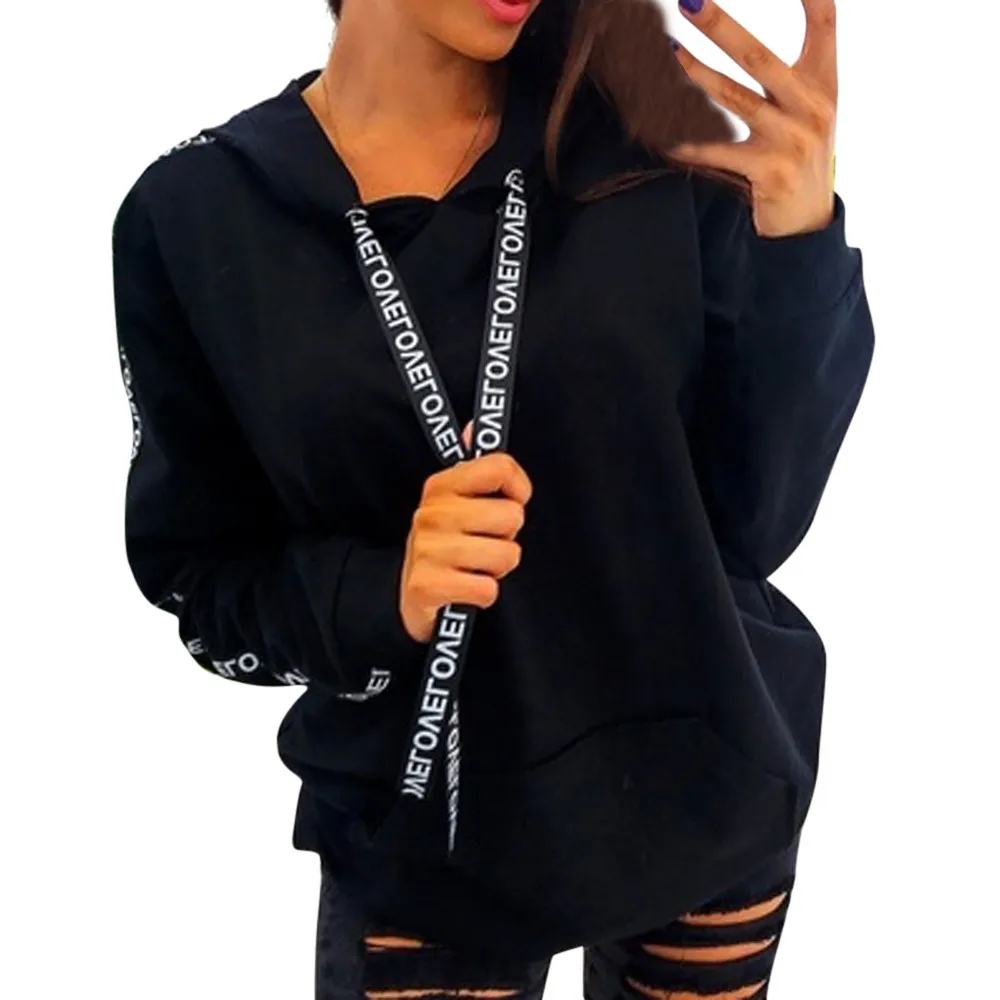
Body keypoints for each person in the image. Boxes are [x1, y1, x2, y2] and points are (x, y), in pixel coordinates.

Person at [110, 0, 874, 996]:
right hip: (429, 841)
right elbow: (202, 580)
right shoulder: (196, 214)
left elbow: (751, 522)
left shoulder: (653, 150)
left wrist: (800, 246)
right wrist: (380, 593)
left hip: (705, 784)